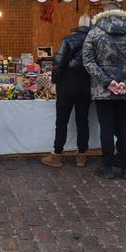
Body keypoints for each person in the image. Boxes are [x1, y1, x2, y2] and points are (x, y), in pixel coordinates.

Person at [82, 3, 126, 180]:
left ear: (104, 14)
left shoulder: (94, 32)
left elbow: (88, 61)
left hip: (104, 92)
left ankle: (107, 167)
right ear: (123, 14)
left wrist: (107, 82)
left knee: (107, 129)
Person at [41, 15, 92, 168]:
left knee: (62, 121)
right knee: (83, 121)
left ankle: (57, 155)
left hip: (67, 85)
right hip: (86, 86)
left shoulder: (68, 39)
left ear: (78, 24)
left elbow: (58, 63)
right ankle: (82, 156)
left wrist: (54, 82)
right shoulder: (95, 41)